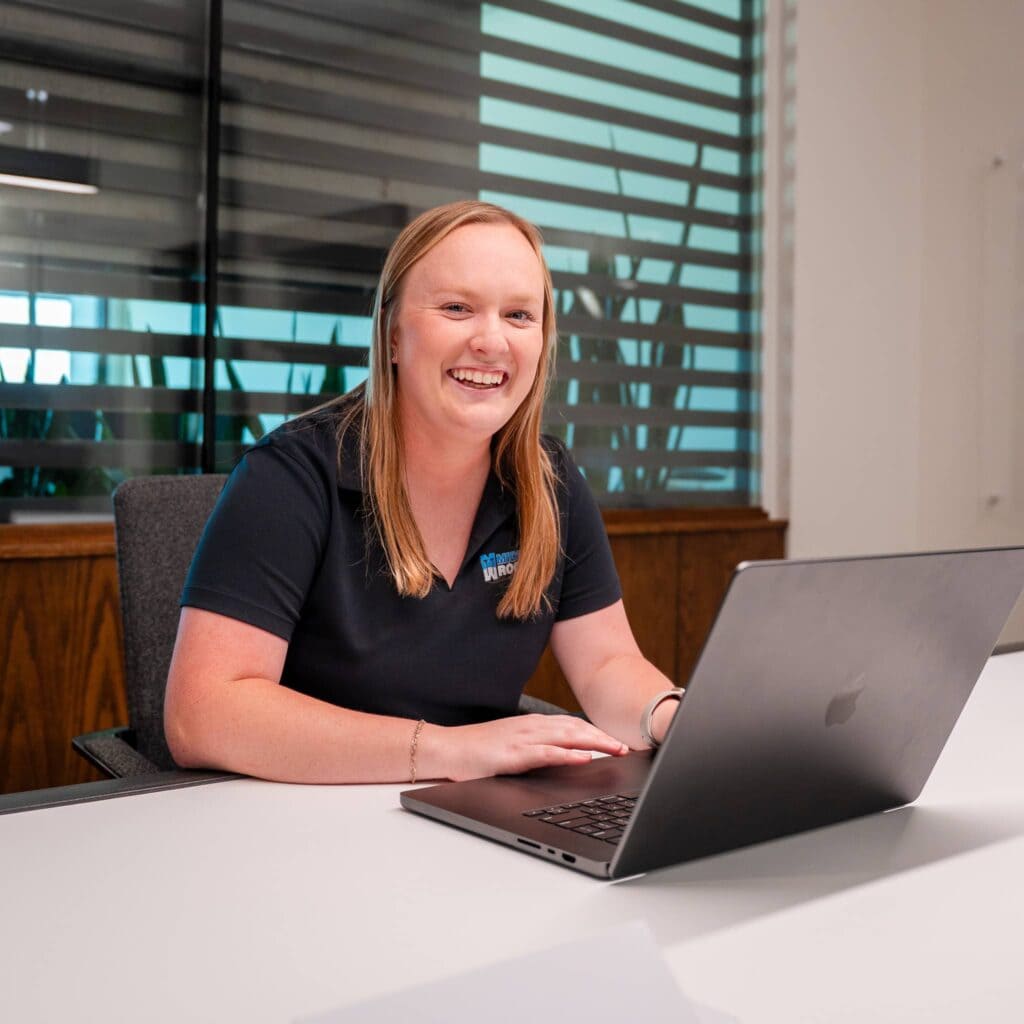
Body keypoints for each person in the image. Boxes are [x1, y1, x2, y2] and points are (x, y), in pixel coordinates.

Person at [164, 200, 681, 784]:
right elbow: (203, 714)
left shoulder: (550, 483)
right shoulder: (290, 477)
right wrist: (452, 751)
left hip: (466, 817)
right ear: (391, 336)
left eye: (518, 315)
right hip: (303, 820)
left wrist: (673, 719)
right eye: (457, 308)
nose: (491, 341)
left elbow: (608, 665)